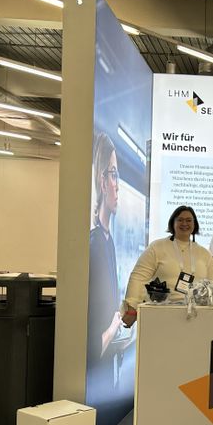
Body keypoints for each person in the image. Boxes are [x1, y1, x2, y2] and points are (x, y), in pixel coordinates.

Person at [121, 205, 213, 327]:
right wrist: (131, 307)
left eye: (189, 220)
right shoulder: (157, 247)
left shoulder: (204, 253)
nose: (184, 223)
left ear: (195, 224)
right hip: (161, 315)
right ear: (172, 223)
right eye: (180, 220)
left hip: (196, 316)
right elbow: (138, 277)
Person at [87, 132, 122, 388]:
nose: (117, 185)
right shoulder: (95, 244)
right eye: (113, 174)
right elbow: (92, 345)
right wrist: (113, 327)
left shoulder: (108, 241)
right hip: (95, 370)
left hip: (106, 366)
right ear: (102, 181)